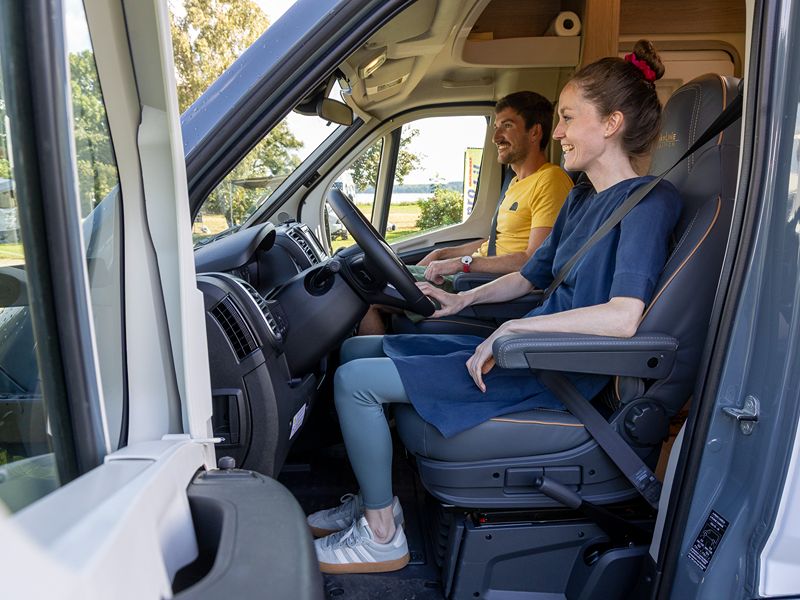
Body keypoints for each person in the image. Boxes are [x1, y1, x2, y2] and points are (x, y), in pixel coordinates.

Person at [309, 40, 681, 575]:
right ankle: (374, 496)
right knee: (355, 349)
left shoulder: (648, 202)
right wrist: (465, 298)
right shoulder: (581, 196)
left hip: (560, 369)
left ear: (611, 123)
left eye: (568, 118)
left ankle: (382, 533)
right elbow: (529, 275)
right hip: (529, 345)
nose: (556, 132)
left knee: (354, 382)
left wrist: (510, 334)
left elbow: (624, 316)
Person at [358, 91, 572, 335]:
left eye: (507, 126)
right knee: (367, 278)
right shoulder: (515, 184)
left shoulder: (551, 180)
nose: (496, 137)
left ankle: (367, 368)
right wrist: (442, 253)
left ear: (534, 132)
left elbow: (532, 260)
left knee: (369, 295)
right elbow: (499, 242)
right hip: (473, 276)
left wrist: (462, 264)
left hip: (480, 285)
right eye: (496, 126)